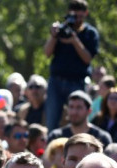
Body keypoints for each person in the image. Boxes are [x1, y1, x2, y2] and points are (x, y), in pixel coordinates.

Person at [43, 0, 99, 131]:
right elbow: (47, 52)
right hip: (56, 82)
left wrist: (75, 41)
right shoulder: (61, 29)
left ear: (86, 14)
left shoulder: (90, 33)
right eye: (74, 16)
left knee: (78, 119)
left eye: (80, 16)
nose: (77, 20)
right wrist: (53, 36)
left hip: (76, 83)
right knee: (51, 121)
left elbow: (87, 58)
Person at [47, 90, 112, 147]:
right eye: (71, 107)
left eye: (79, 107)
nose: (74, 112)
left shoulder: (101, 138)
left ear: (89, 111)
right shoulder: (56, 136)